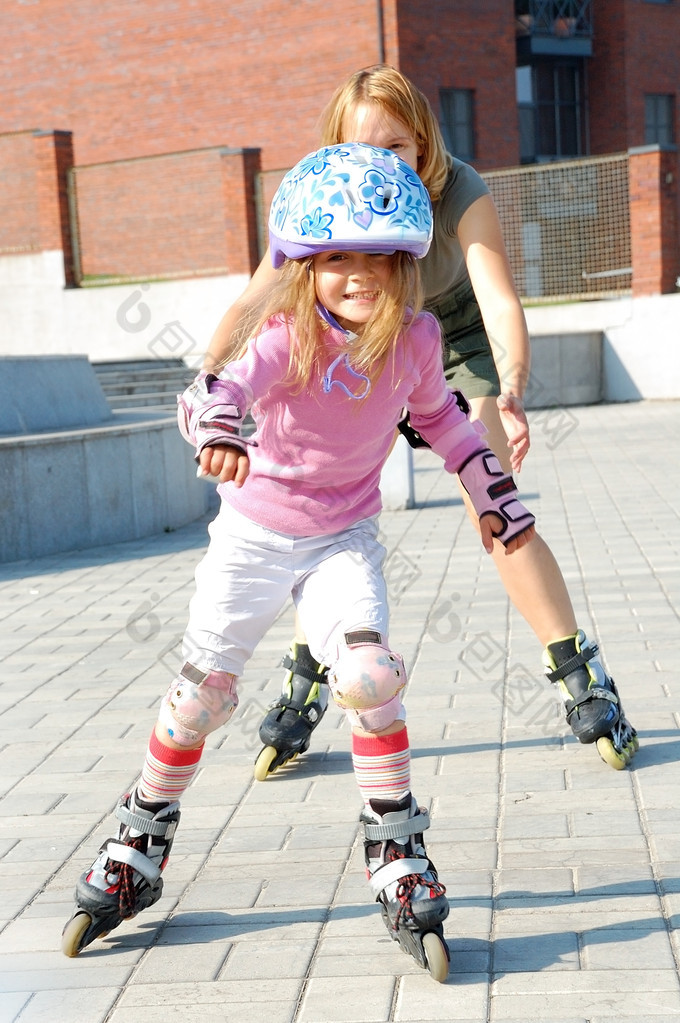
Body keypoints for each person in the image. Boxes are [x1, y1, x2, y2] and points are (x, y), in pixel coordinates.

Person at [61, 143, 536, 979]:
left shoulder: (417, 340)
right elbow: (220, 388)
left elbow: (449, 425)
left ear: (406, 263)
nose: (356, 275)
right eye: (336, 258)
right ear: (306, 265)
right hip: (251, 537)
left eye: (376, 258)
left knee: (367, 676)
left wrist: (492, 492)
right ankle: (140, 835)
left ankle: (394, 846)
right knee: (201, 698)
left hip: (341, 540)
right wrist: (218, 434)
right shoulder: (288, 337)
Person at [206, 65, 637, 775]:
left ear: (425, 144)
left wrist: (513, 389)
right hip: (351, 336)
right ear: (337, 150)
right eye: (364, 149)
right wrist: (208, 380)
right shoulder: (322, 197)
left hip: (452, 338)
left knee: (492, 501)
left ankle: (577, 667)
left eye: (397, 148)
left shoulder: (460, 188)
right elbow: (262, 293)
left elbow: (496, 297)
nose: (382, 164)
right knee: (313, 505)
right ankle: (308, 673)